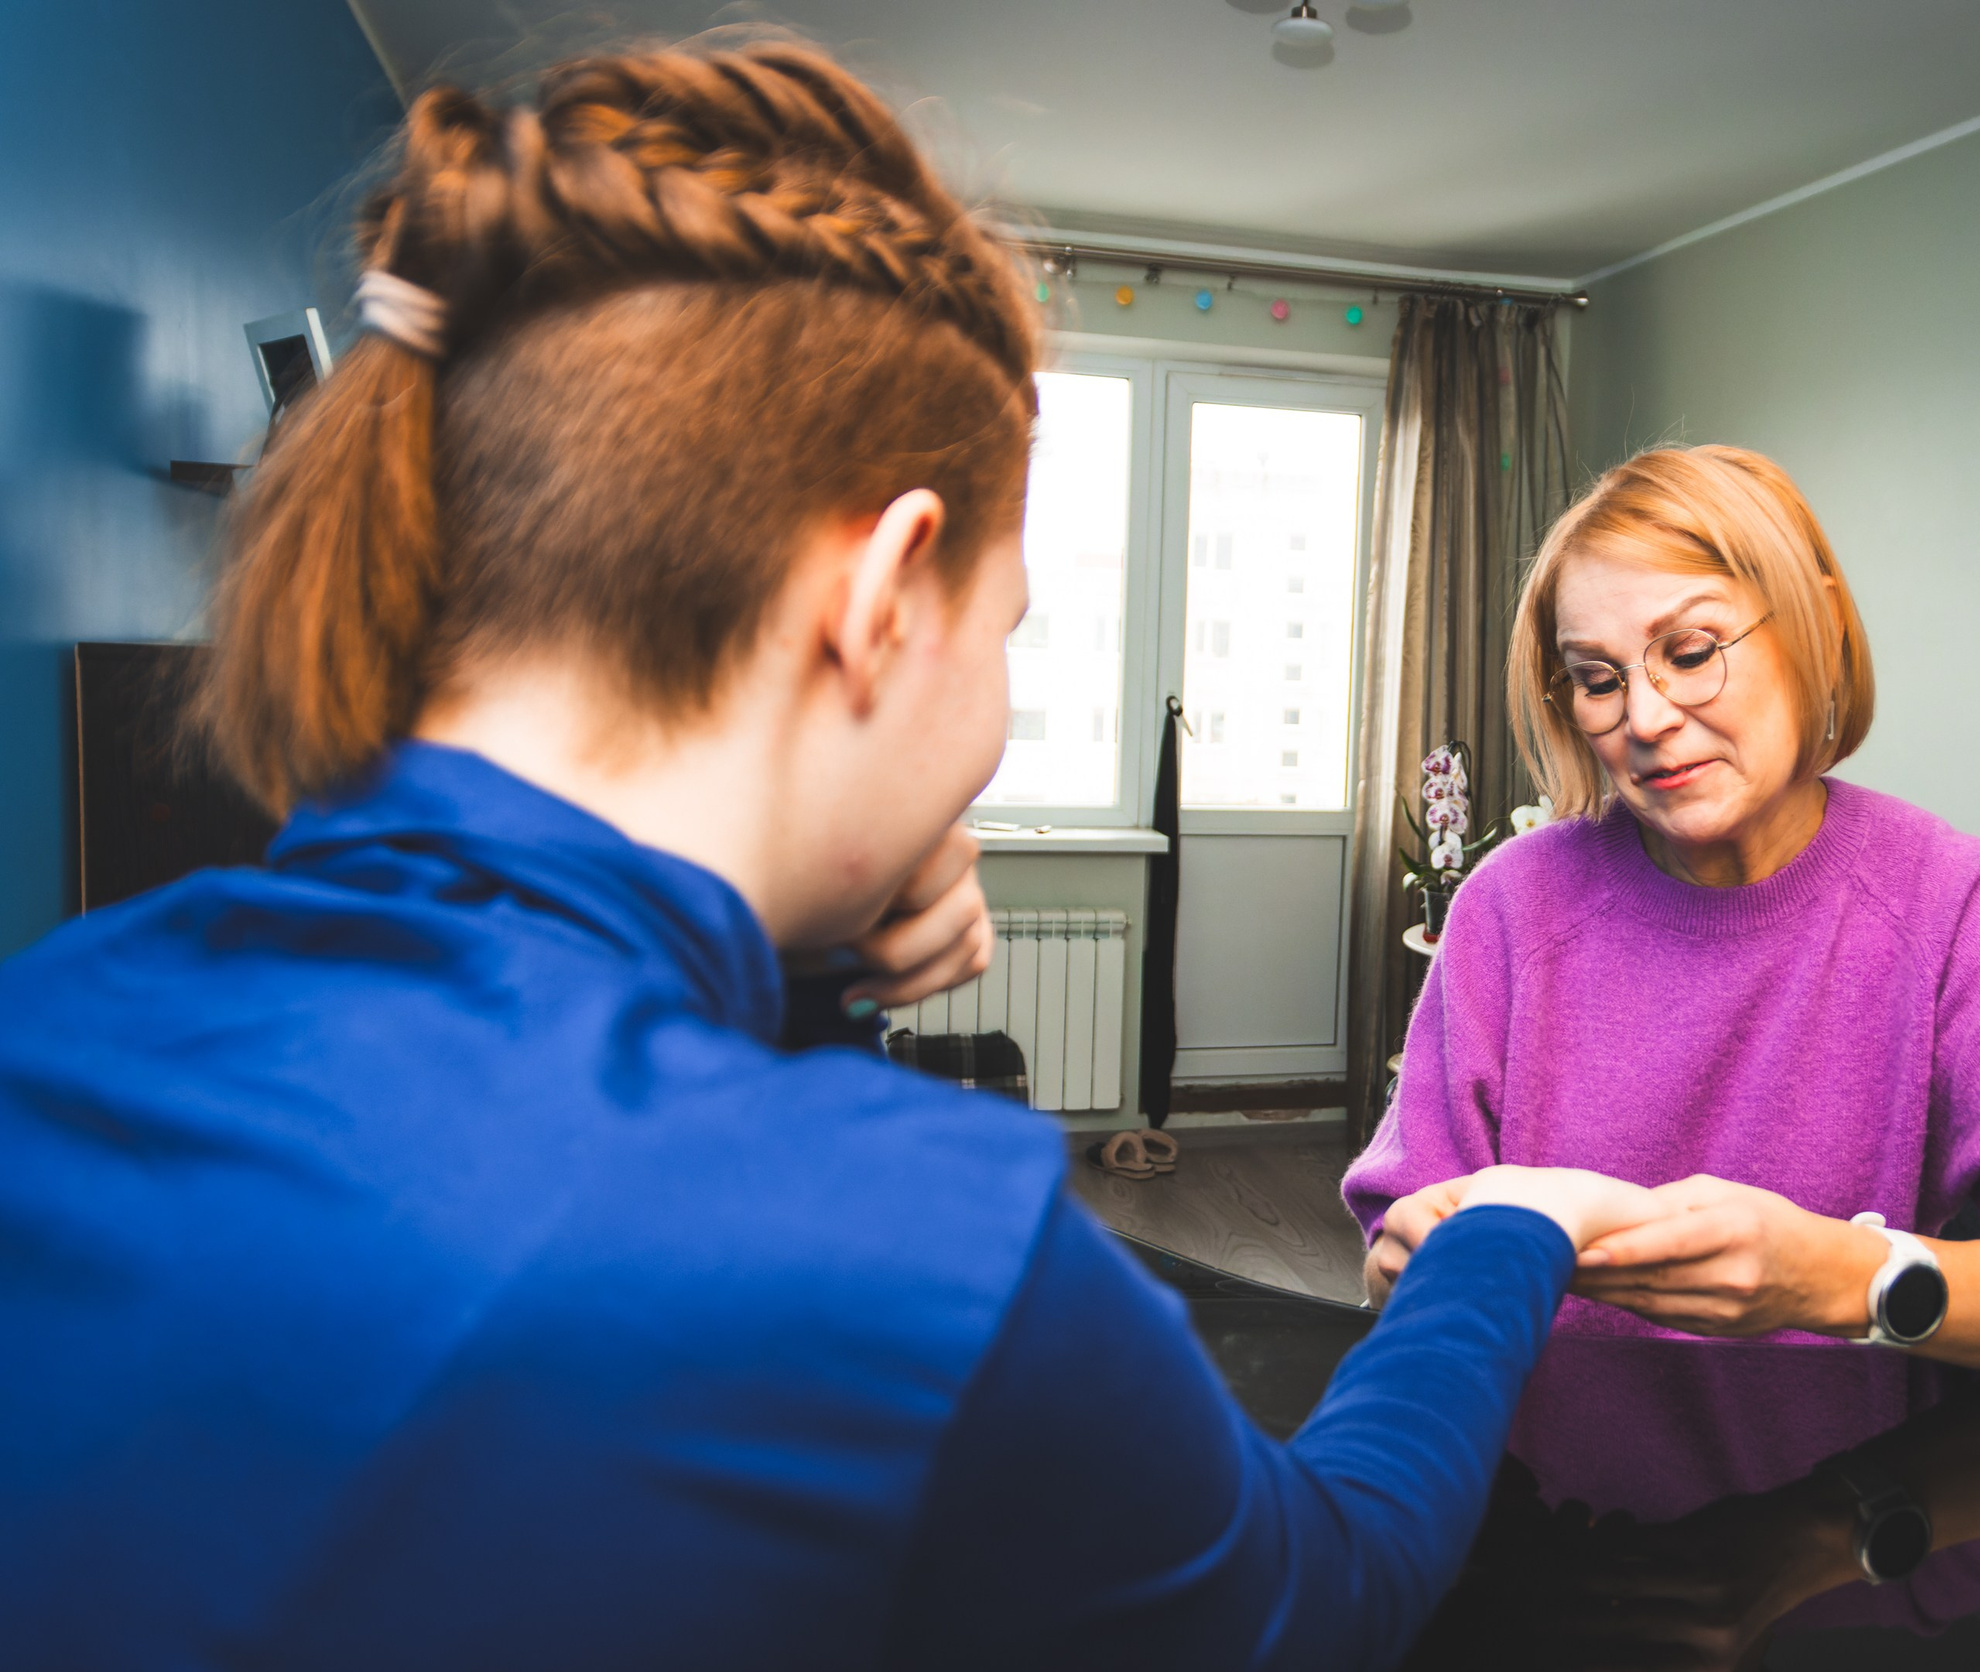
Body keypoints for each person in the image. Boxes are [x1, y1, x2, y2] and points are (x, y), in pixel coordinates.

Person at [0, 42, 1671, 1670]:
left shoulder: (55, 1013)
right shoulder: (910, 1246)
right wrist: (1502, 1234)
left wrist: (804, 973)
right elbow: (1324, 1591)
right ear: (880, 599)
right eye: (1008, 626)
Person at [1347, 445, 1980, 1377]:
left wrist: (1839, 1280)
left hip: (1844, 1511)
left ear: (1814, 625)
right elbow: (1399, 1242)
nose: (1646, 717)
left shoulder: (1951, 909)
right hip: (1534, 1501)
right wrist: (1409, 1260)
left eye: (1691, 652)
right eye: (1598, 678)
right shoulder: (1511, 907)